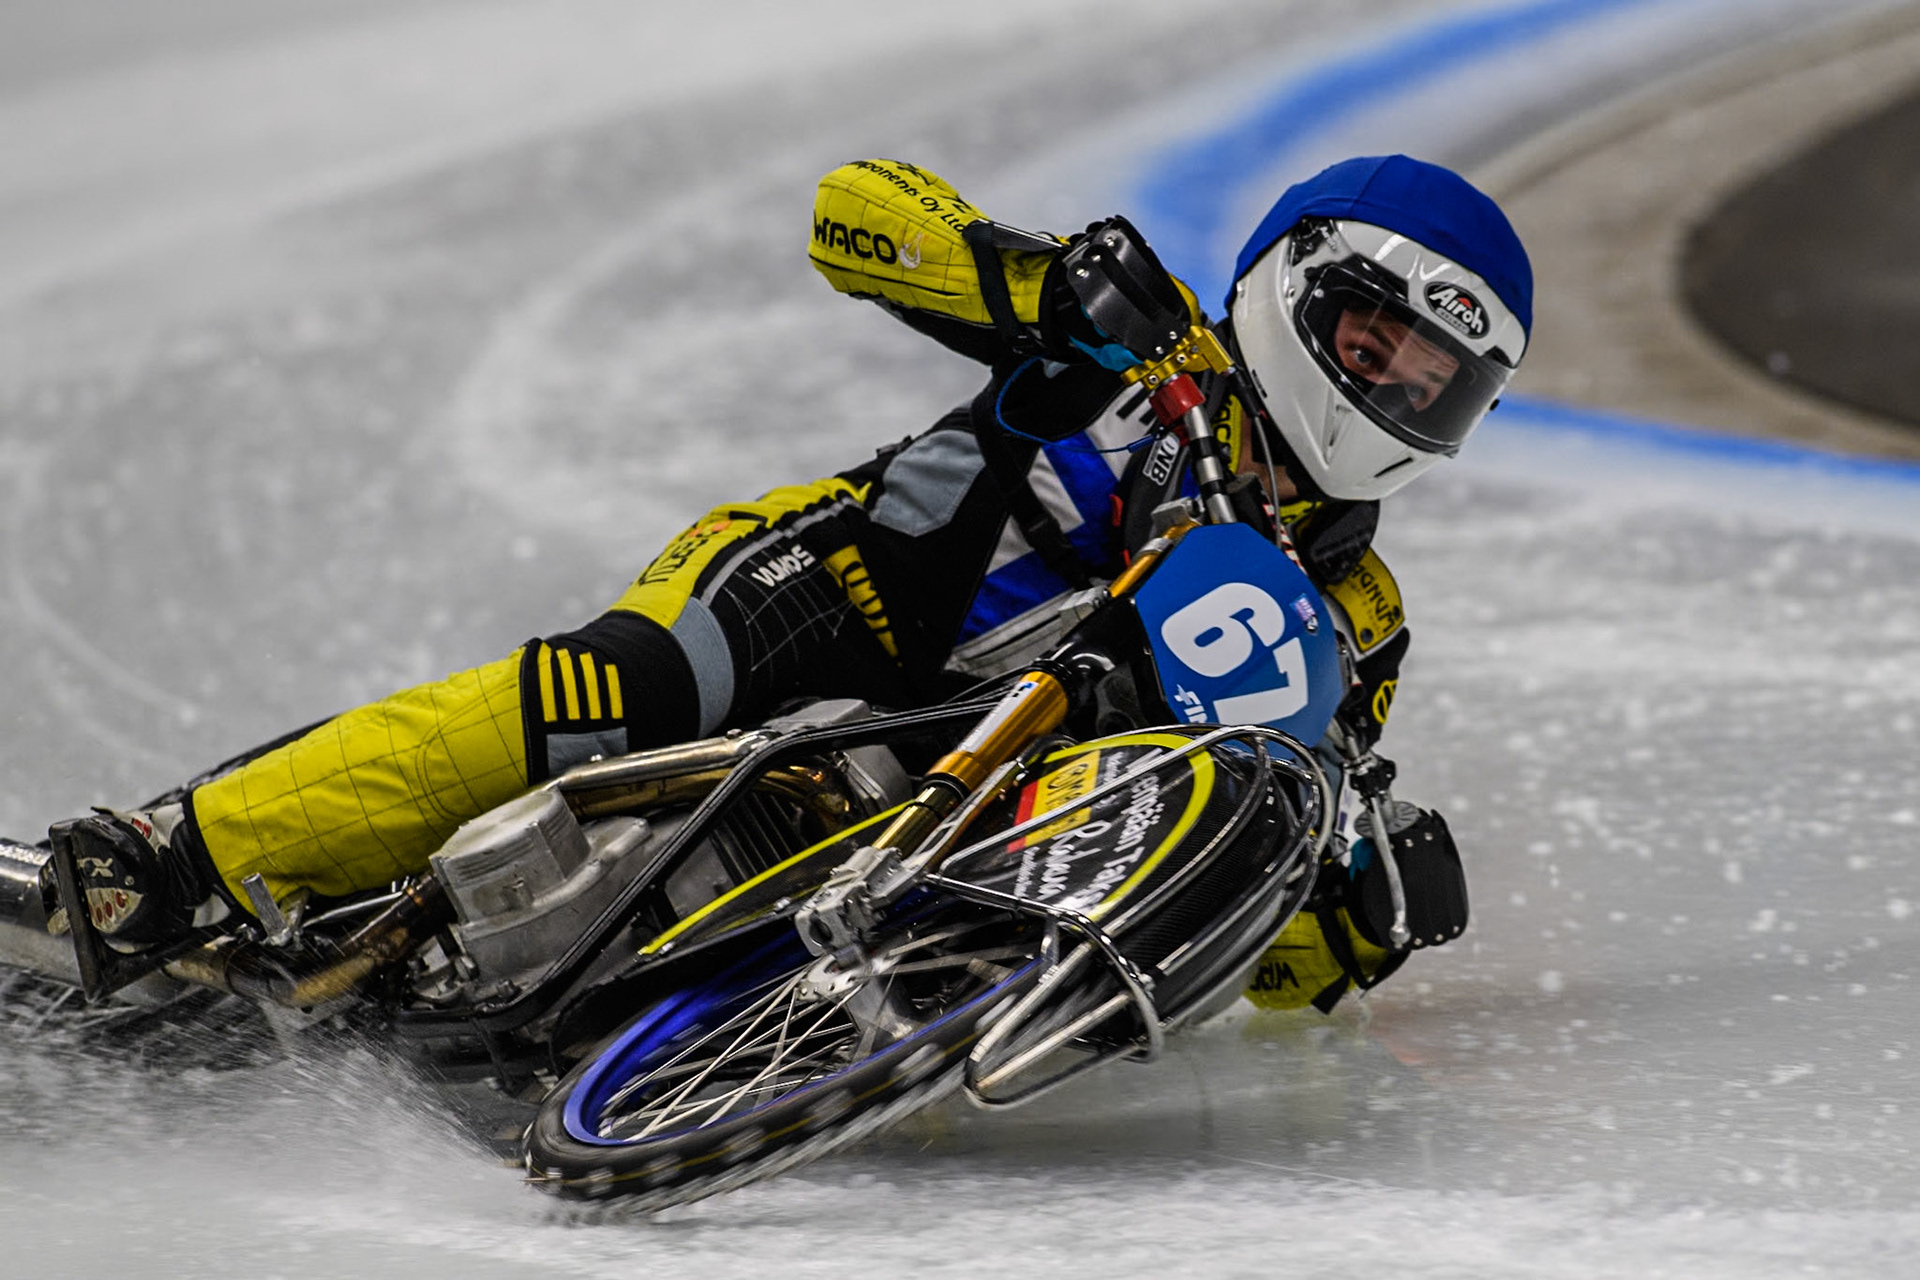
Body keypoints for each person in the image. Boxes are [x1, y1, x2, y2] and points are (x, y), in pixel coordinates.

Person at [52, 153, 1531, 1013]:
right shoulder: (1143, 343)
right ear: (1295, 291)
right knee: (617, 693)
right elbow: (852, 212)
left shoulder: (1364, 622)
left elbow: (1252, 855)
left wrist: (1359, 915)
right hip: (836, 588)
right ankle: (171, 856)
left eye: (1438, 382)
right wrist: (1032, 287)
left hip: (974, 784)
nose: (1395, 393)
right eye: (1371, 343)